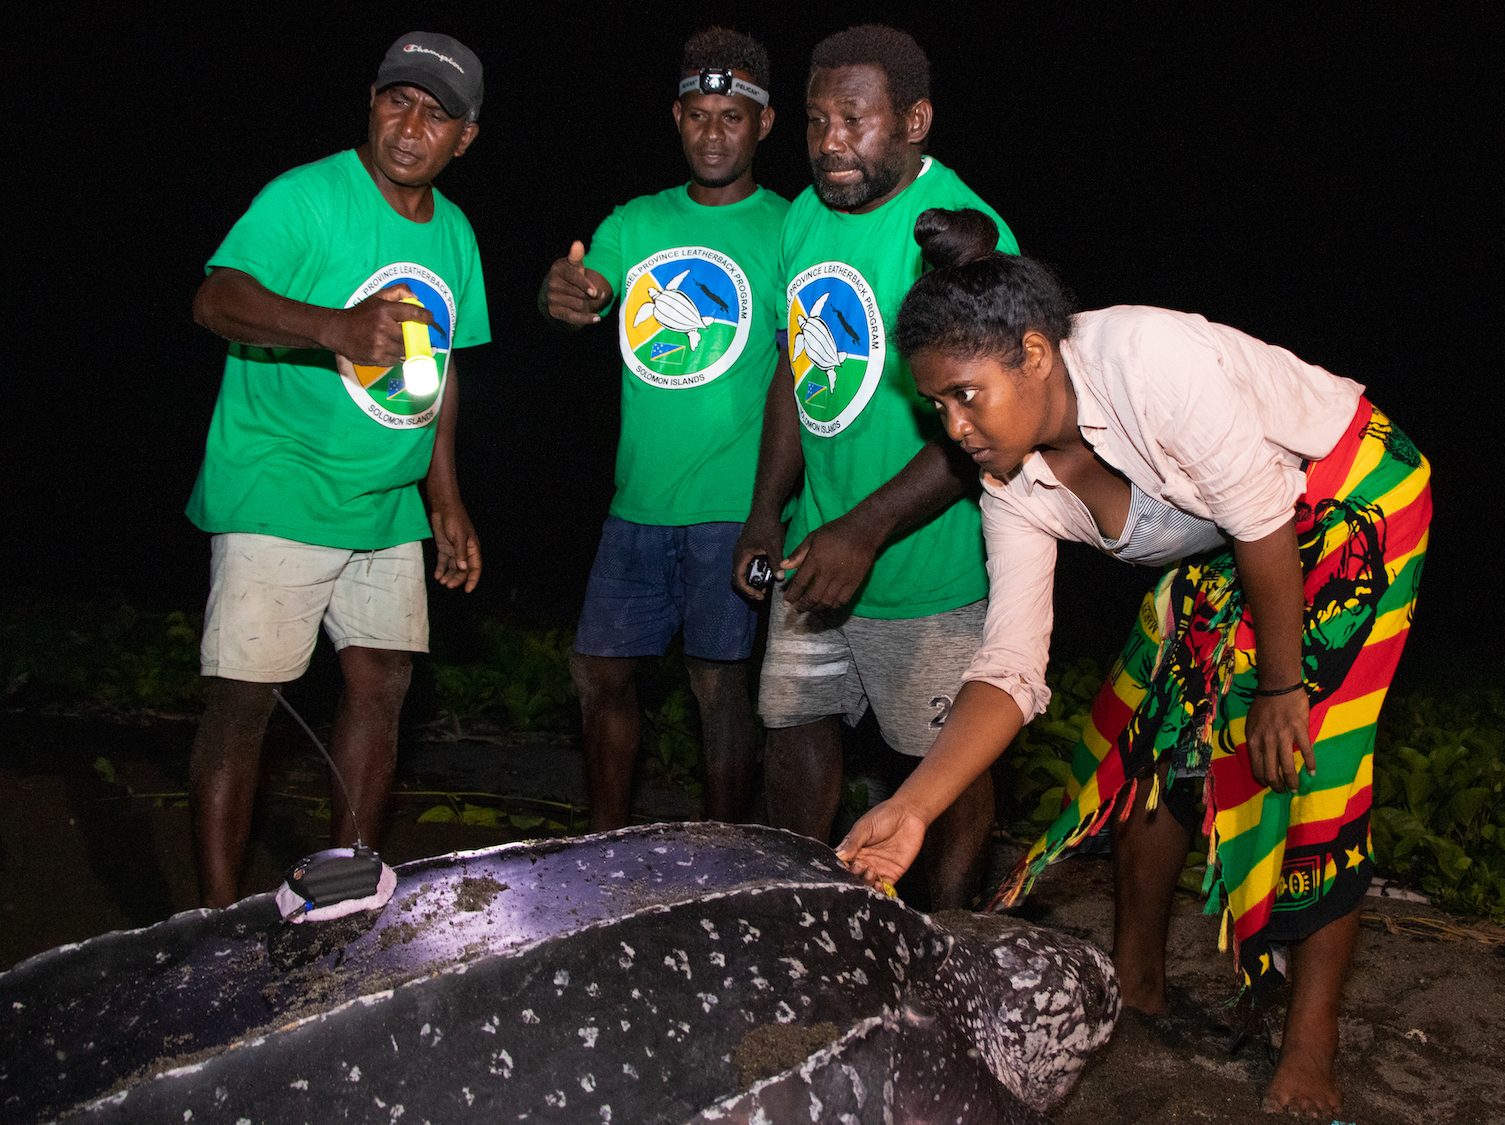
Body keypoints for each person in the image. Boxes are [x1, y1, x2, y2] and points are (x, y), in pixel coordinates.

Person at [838, 209, 1432, 1116]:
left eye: (966, 395)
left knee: (1317, 757)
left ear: (1035, 354)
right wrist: (914, 806)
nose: (953, 427)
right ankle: (1139, 980)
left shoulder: (1152, 361)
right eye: (938, 407)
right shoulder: (1012, 484)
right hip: (1240, 538)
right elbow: (1009, 667)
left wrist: (1281, 685)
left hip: (1349, 494)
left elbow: (1263, 517)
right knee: (1145, 725)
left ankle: (1312, 1041)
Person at [185, 32, 490, 907]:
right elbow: (215, 298)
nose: (411, 125)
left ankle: (348, 885)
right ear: (371, 101)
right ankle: (215, 917)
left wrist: (447, 495)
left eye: (438, 115)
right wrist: (334, 327)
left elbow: (439, 369)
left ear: (464, 138)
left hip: (389, 497)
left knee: (382, 683)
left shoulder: (456, 234)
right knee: (245, 703)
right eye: (399, 100)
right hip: (280, 482)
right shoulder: (306, 198)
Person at [731, 26, 1017, 909]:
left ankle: (949, 936)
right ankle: (809, 917)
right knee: (793, 728)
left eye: (853, 119)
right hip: (818, 541)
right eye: (816, 120)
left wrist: (865, 529)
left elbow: (989, 427)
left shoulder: (965, 232)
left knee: (942, 771)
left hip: (926, 572)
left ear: (914, 119)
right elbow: (796, 371)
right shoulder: (805, 215)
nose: (828, 142)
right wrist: (766, 511)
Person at [539, 28, 787, 831]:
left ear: (765, 124)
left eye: (732, 117)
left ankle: (719, 854)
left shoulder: (791, 230)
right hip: (637, 503)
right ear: (675, 119)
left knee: (720, 688)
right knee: (599, 672)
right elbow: (586, 289)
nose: (713, 133)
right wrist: (565, 294)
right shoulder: (634, 220)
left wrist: (771, 512)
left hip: (732, 505)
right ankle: (609, 847)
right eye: (698, 116)